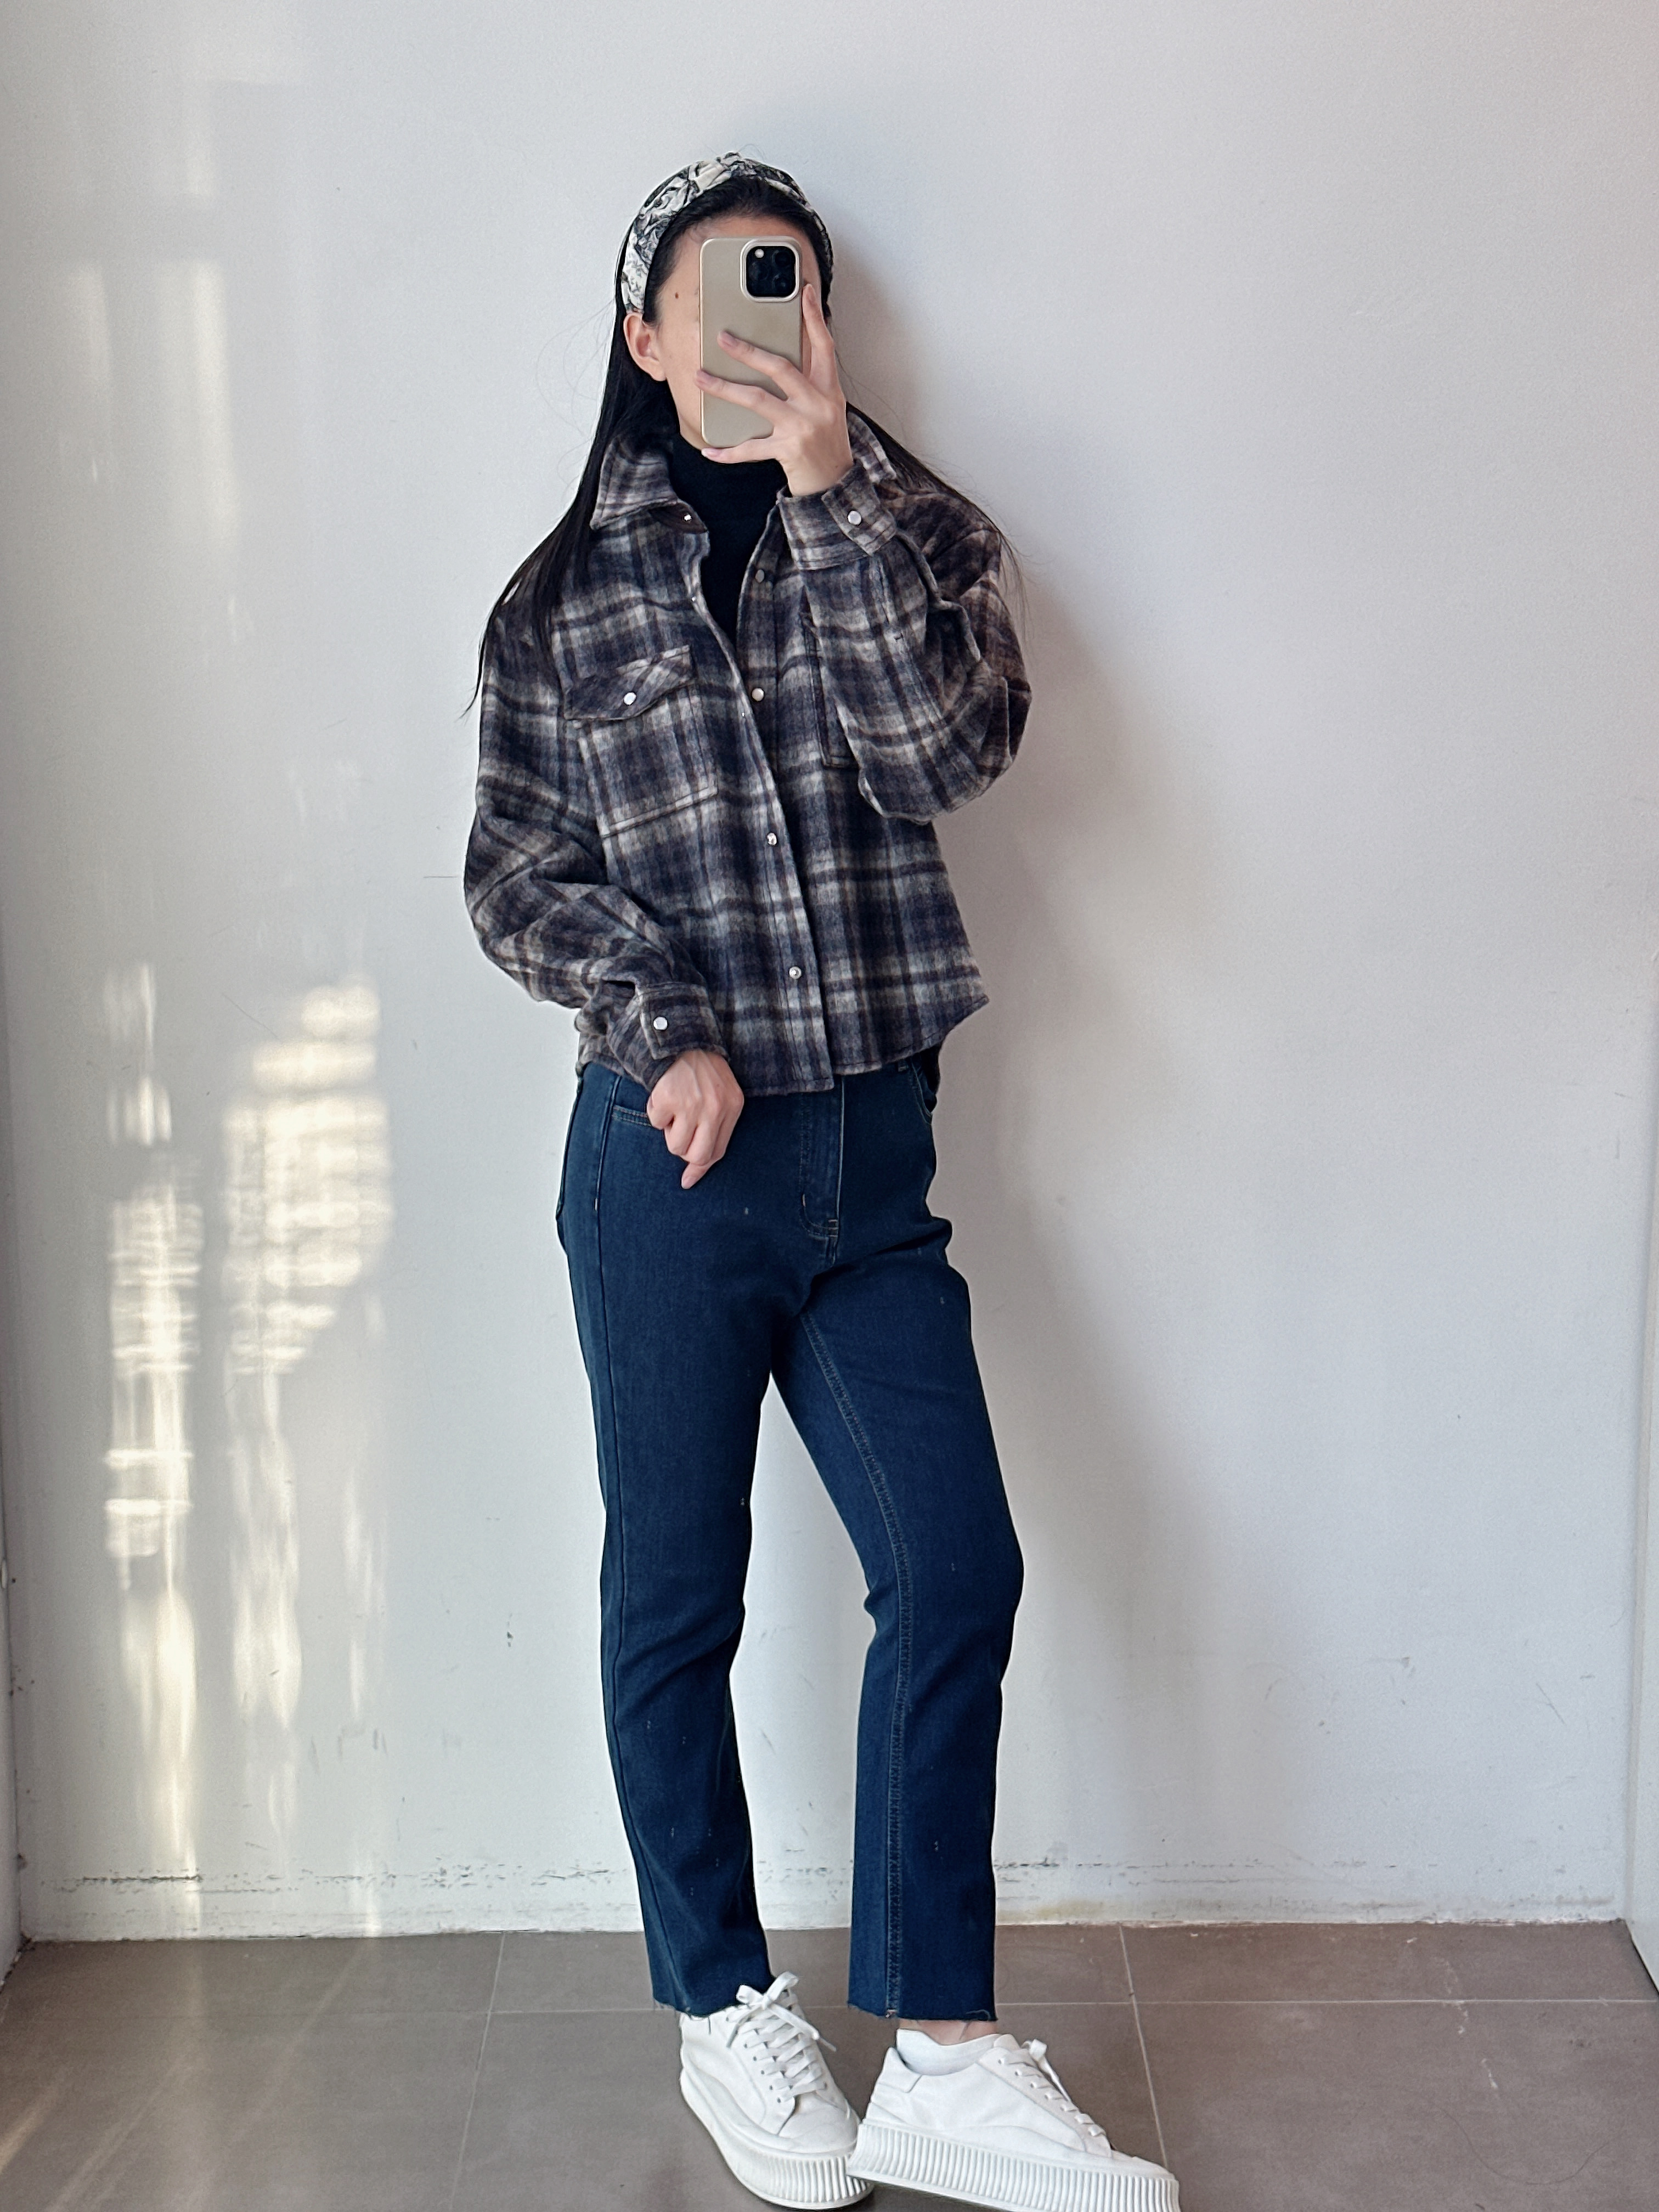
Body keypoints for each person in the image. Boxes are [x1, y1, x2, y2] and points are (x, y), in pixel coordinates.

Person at [466, 153, 1180, 2212]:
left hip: (874, 1162)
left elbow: (949, 756)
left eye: (790, 290)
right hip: (670, 1170)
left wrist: (831, 488)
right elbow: (515, 873)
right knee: (676, 1595)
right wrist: (660, 1019)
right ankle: (722, 2006)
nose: (757, 328)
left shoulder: (909, 525)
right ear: (641, 336)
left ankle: (942, 2042)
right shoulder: (554, 606)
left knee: (955, 1569)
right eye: (717, 295)